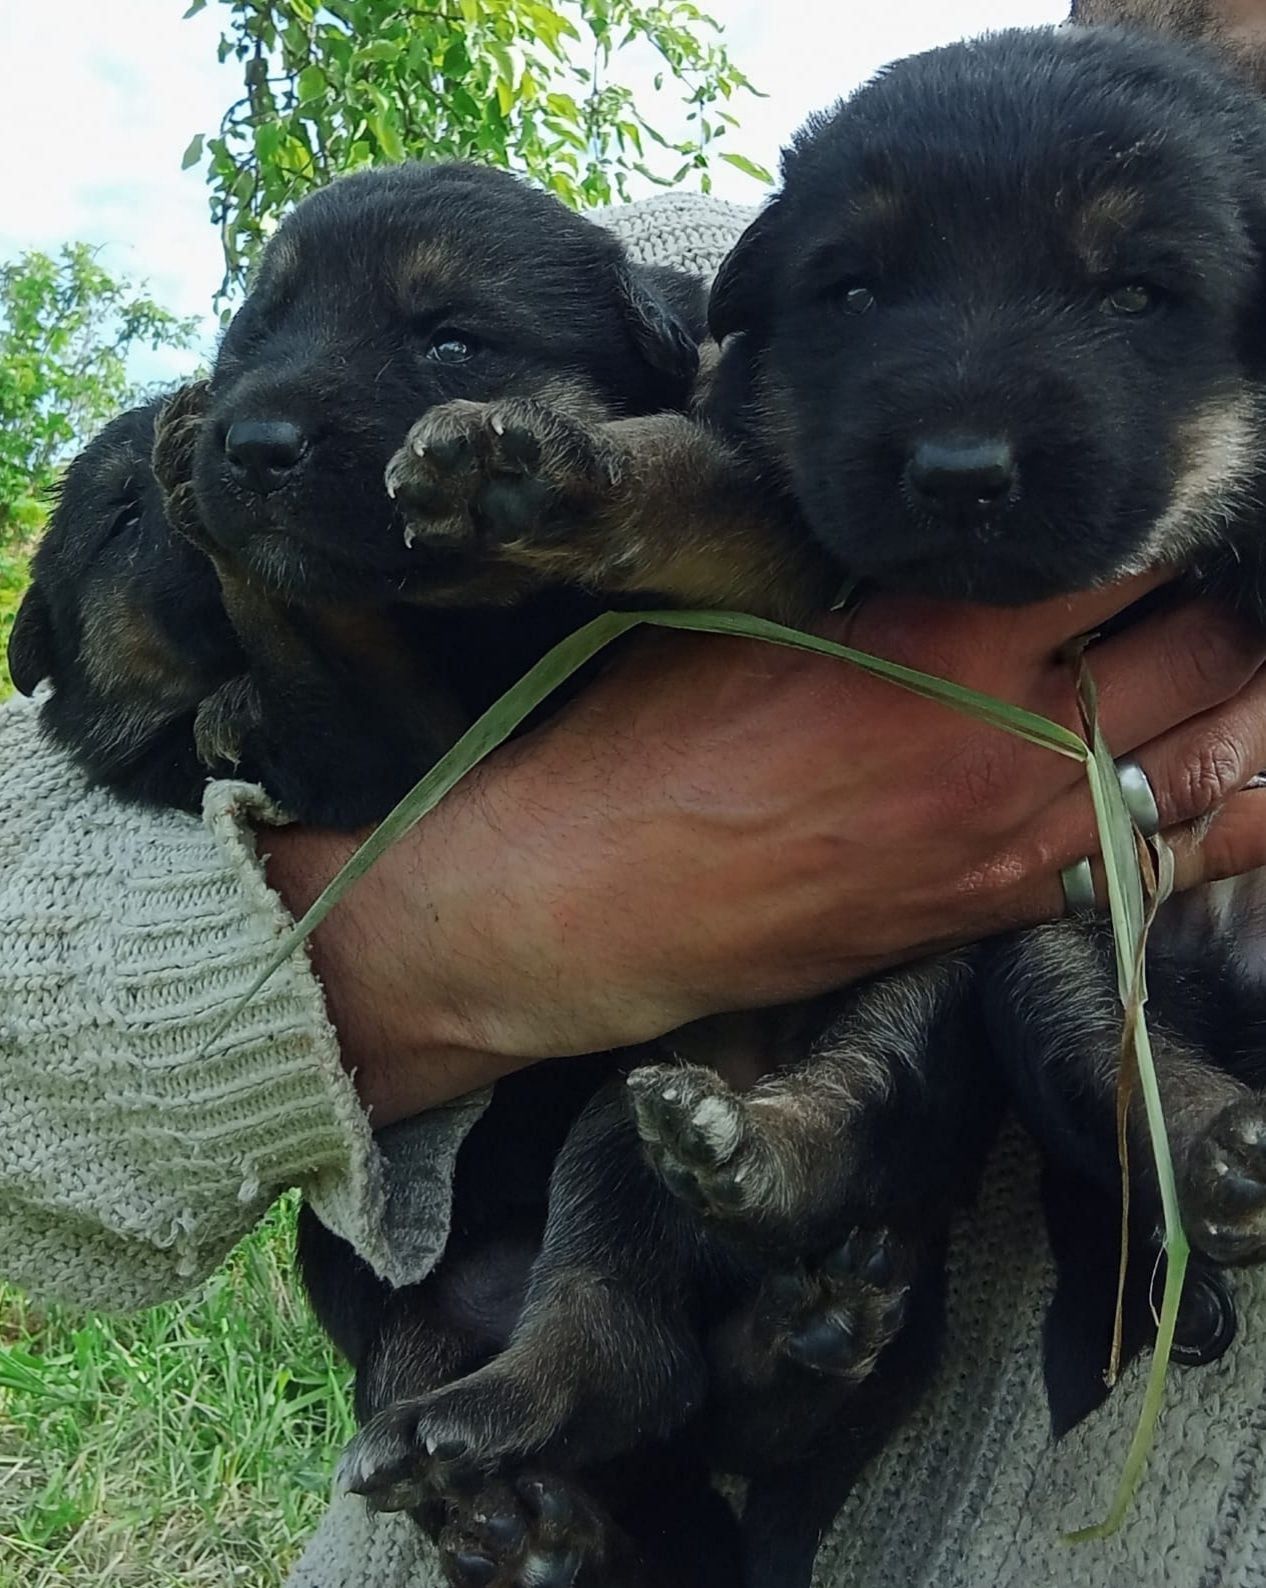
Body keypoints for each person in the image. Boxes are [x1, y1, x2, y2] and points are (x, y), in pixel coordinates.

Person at [7, 14, 1266, 1584]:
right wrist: (462, 928)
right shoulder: (656, 289)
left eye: (1140, 293)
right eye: (861, 291)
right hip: (521, 1403)